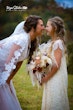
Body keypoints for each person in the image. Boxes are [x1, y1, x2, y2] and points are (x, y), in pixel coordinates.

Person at [0, 15, 44, 110]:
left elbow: (19, 63)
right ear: (33, 27)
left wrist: (8, 81)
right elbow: (9, 63)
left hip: (4, 71)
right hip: (3, 70)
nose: (43, 27)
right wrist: (3, 82)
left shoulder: (31, 42)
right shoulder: (22, 40)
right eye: (41, 25)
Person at [41, 16, 70, 110]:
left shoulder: (58, 43)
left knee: (55, 99)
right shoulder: (51, 42)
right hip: (51, 74)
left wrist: (46, 78)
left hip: (56, 76)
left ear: (55, 28)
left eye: (47, 26)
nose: (45, 28)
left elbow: (57, 65)